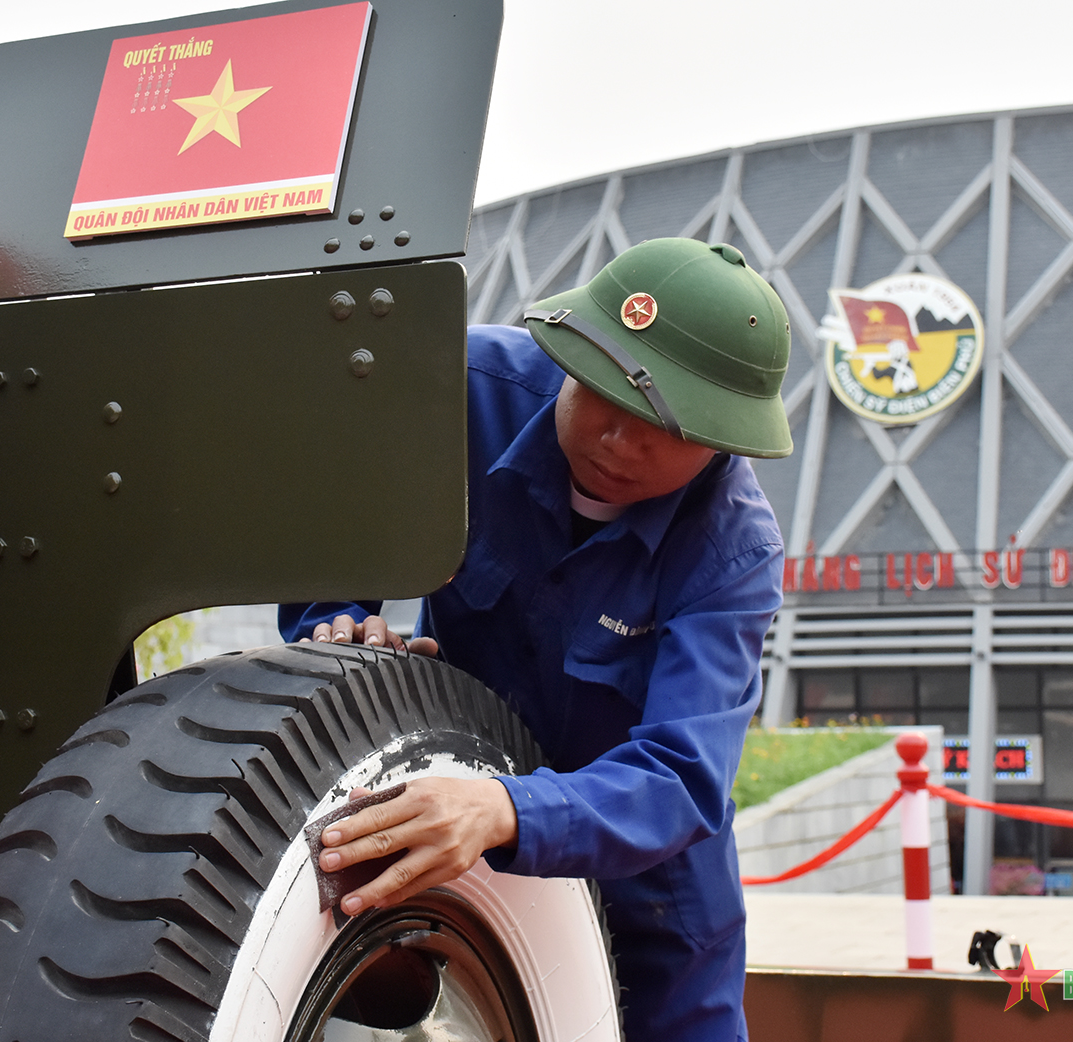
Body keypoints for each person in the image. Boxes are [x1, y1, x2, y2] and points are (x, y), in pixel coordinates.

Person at [279, 237, 792, 1041]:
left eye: (664, 424)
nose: (620, 441)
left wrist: (505, 810)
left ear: (725, 437)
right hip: (446, 799)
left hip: (649, 879)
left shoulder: (732, 554)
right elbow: (335, 520)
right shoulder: (453, 394)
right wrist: (339, 628)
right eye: (600, 396)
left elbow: (680, 778)